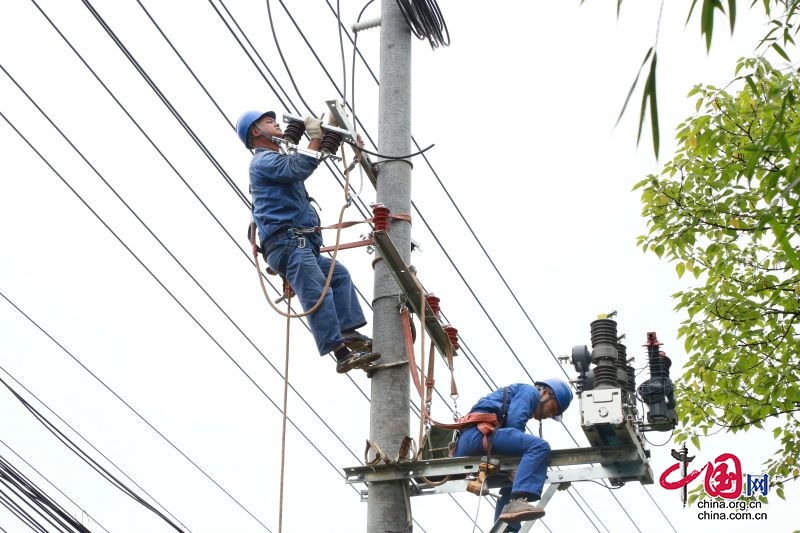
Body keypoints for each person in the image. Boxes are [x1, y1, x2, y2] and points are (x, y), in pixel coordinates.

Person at [235, 109, 380, 374]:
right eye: (269, 122)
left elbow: (299, 162)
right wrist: (315, 137)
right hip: (290, 245)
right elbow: (299, 167)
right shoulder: (263, 162)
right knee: (316, 290)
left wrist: (323, 138)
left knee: (337, 275)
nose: (276, 123)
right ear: (255, 132)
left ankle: (348, 332)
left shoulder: (275, 159)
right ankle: (341, 353)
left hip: (302, 244)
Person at [453, 379, 573, 530]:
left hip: (472, 442)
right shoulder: (530, 392)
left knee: (513, 482)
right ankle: (517, 502)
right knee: (539, 446)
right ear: (546, 393)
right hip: (478, 436)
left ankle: (507, 528)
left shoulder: (520, 395)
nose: (550, 415)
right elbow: (514, 422)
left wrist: (548, 476)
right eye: (553, 409)